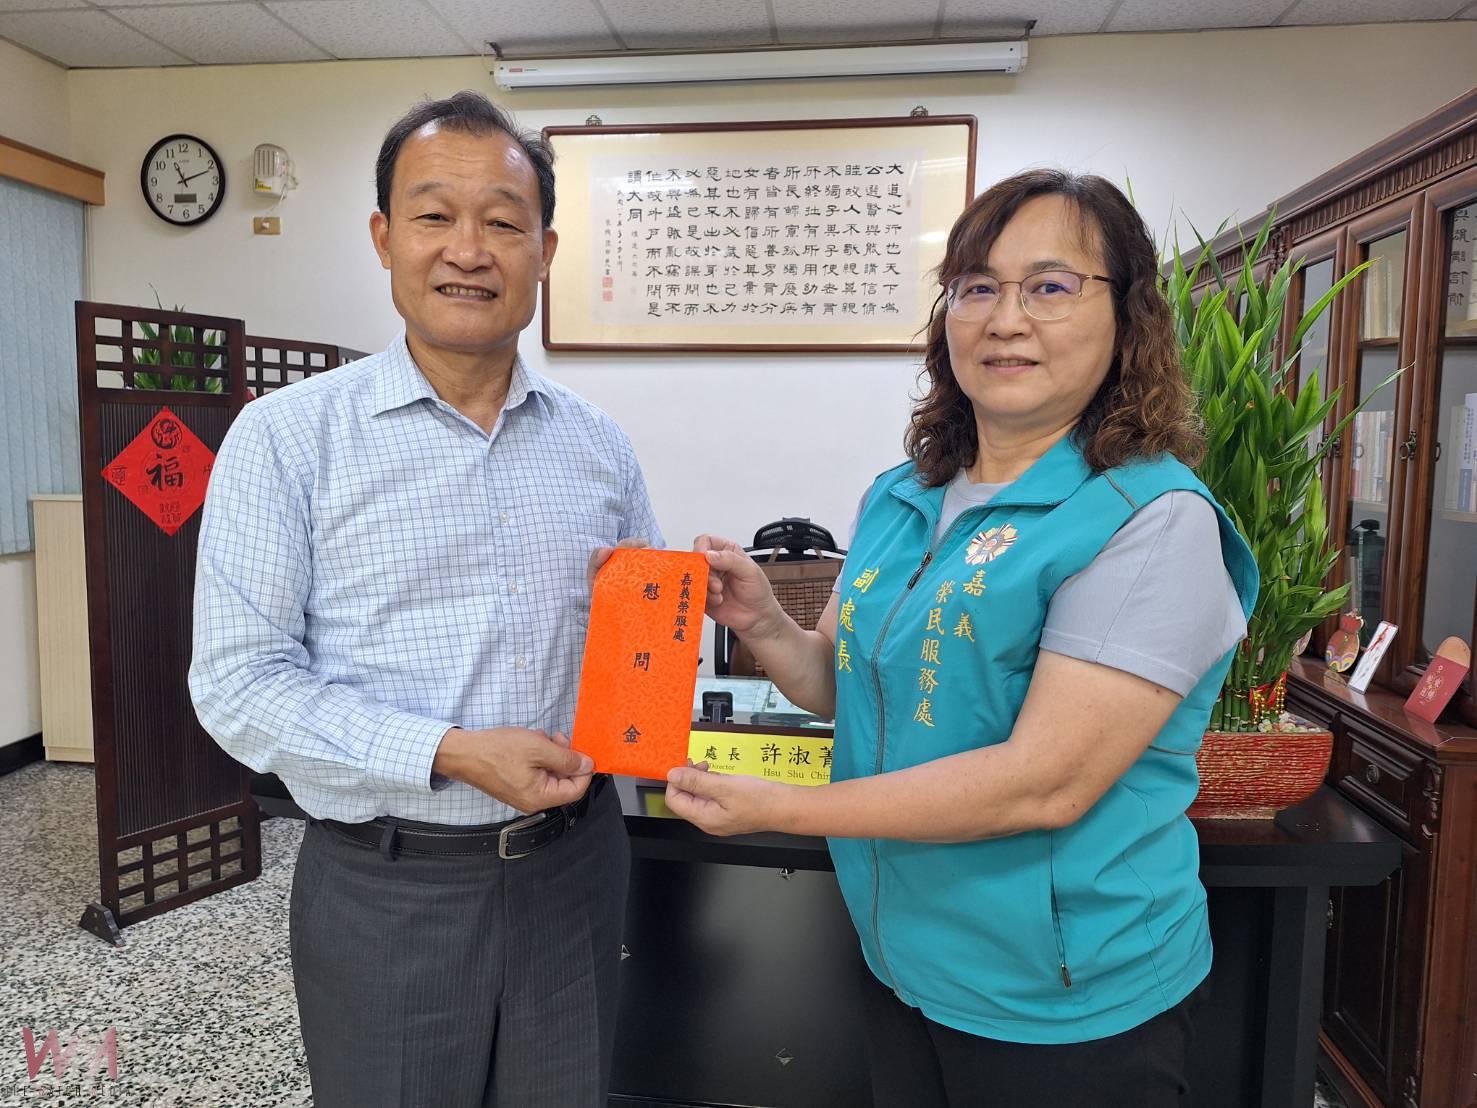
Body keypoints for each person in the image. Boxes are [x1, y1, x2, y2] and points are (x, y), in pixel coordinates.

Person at [666, 169, 1259, 1106]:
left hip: (1065, 996)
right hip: (905, 958)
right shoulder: (903, 494)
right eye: (977, 286)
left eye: (1050, 285)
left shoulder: (1149, 521)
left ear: (1127, 317)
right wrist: (764, 623)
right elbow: (847, 686)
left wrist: (785, 808)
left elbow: (1045, 782)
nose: (1005, 319)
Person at [189, 90, 660, 1107]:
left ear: (544, 251)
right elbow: (238, 683)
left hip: (575, 871)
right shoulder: (286, 439)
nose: (468, 250)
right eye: (434, 215)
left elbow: (636, 650)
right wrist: (449, 750)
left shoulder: (599, 446)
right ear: (384, 238)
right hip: (389, 886)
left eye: (503, 222)